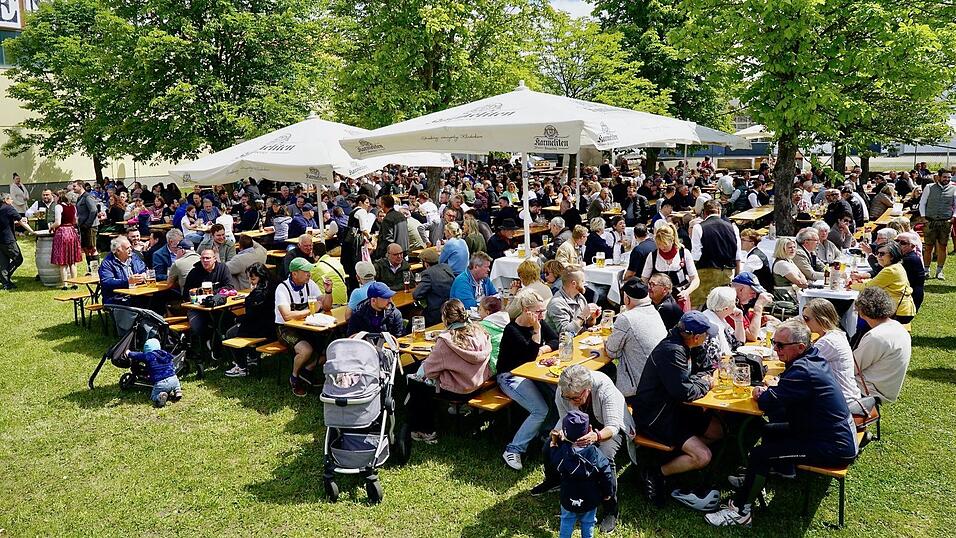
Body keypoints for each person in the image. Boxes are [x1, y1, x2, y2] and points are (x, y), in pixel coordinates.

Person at [705, 320, 858, 527]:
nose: (775, 349)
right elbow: (784, 396)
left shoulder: (802, 371)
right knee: (768, 430)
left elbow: (769, 402)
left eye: (780, 345)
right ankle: (757, 479)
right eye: (774, 343)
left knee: (760, 455)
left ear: (800, 347)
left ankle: (741, 512)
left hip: (833, 447)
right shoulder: (812, 359)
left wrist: (762, 392)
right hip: (831, 433)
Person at [531, 364, 634, 533]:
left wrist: (596, 437)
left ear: (587, 389)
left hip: (606, 429)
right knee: (548, 446)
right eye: (568, 398)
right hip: (578, 427)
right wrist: (562, 436)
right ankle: (553, 480)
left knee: (605, 457)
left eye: (576, 399)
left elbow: (613, 426)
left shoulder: (604, 388)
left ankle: (610, 508)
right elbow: (565, 418)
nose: (571, 402)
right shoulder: (563, 390)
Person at [634, 311, 721, 508]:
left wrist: (700, 380)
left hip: (679, 410)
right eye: (706, 335)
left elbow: (707, 369)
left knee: (718, 430)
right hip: (658, 418)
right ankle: (656, 473)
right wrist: (706, 384)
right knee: (703, 456)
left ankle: (677, 457)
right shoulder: (671, 351)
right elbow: (683, 392)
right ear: (696, 336)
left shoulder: (692, 344)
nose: (708, 338)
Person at [407, 299, 492, 443]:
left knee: (417, 384)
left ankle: (424, 430)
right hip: (478, 383)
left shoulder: (446, 341)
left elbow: (429, 371)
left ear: (444, 318)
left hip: (457, 389)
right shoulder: (480, 332)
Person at [497, 291, 559, 470]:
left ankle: (545, 436)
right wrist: (537, 332)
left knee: (557, 395)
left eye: (543, 311)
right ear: (525, 310)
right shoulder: (512, 330)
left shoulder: (538, 321)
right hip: (510, 376)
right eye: (539, 312)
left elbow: (556, 340)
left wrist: (543, 348)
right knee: (540, 410)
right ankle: (514, 449)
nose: (542, 315)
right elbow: (530, 355)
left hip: (531, 373)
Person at [549, 410, 616, 538]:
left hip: (568, 496)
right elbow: (607, 475)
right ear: (589, 430)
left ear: (564, 432)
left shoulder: (562, 453)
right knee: (588, 522)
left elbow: (555, 464)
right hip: (591, 497)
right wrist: (608, 493)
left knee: (567, 521)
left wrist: (553, 446)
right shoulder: (596, 455)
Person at [276, 257, 333, 396]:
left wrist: (328, 292)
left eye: (309, 271)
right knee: (306, 350)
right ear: (294, 274)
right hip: (285, 328)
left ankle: (307, 370)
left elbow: (326, 306)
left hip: (306, 326)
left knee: (330, 348)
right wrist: (310, 310)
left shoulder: (310, 284)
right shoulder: (282, 288)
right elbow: (287, 316)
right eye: (306, 271)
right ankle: (294, 377)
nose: (309, 274)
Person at [605, 279, 667, 405]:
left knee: (601, 376)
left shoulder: (626, 318)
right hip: (659, 381)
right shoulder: (654, 311)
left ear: (627, 299)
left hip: (636, 387)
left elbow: (612, 352)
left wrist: (605, 343)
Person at [853, 287, 912, 403]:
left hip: (869, 391)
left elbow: (851, 367)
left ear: (862, 312)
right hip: (887, 389)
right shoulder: (898, 328)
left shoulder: (876, 336)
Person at [801, 299, 861, 403]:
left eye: (806, 319)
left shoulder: (828, 342)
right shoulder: (836, 334)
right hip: (842, 395)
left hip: (842, 400)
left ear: (822, 320)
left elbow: (800, 365)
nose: (804, 323)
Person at [224, 263, 278, 377]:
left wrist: (250, 296)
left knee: (230, 333)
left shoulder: (259, 292)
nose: (250, 281)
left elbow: (251, 313)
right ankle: (252, 357)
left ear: (261, 277)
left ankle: (241, 366)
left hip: (262, 328)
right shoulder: (274, 285)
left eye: (252, 278)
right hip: (273, 326)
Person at [182, 248, 236, 358]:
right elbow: (186, 294)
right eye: (203, 258)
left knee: (229, 320)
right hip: (198, 309)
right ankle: (208, 344)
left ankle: (219, 346)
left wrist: (212, 294)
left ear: (214, 259)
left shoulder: (222, 268)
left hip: (218, 307)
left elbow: (230, 286)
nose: (205, 261)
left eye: (208, 258)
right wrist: (197, 295)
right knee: (198, 326)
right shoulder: (195, 272)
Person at [850, 240, 915, 324]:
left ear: (892, 256)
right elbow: (877, 282)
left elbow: (868, 287)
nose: (878, 256)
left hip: (899, 312)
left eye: (882, 254)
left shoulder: (890, 270)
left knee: (864, 318)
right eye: (877, 253)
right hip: (903, 309)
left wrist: (851, 285)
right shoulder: (896, 266)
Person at [690, 200, 740, 307]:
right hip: (727, 272)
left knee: (698, 304)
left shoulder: (698, 227)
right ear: (719, 211)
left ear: (704, 212)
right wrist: (737, 275)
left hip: (705, 272)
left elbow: (696, 255)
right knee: (723, 305)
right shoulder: (733, 227)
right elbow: (737, 255)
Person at [641, 224, 699, 311]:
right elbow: (644, 279)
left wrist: (687, 292)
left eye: (665, 244)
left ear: (672, 240)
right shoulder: (652, 256)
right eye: (659, 244)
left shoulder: (684, 253)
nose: (662, 247)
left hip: (680, 299)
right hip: (658, 301)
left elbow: (695, 279)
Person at [918, 169, 955, 279]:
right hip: (930, 220)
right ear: (939, 177)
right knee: (928, 247)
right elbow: (922, 202)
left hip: (945, 221)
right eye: (945, 177)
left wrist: (953, 217)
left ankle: (940, 270)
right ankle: (926, 270)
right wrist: (924, 217)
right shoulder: (929, 187)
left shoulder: (954, 189)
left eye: (949, 177)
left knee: (943, 247)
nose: (947, 179)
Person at [126, 338, 182, 408]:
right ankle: (177, 391)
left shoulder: (149, 356)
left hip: (161, 383)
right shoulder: (165, 353)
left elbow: (138, 355)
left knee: (153, 396)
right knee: (176, 383)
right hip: (173, 378)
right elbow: (173, 357)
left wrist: (129, 353)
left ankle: (160, 396)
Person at [546, 268, 600, 335]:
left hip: (580, 340)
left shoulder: (580, 297)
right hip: (562, 343)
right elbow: (566, 333)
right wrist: (582, 315)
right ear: (574, 283)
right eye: (583, 281)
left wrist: (592, 317)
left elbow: (586, 324)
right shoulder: (557, 304)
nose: (586, 284)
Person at [98, 236, 148, 305]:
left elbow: (143, 269)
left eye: (130, 247)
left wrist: (144, 275)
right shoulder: (107, 263)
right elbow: (107, 282)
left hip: (138, 294)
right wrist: (127, 282)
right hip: (117, 299)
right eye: (127, 248)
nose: (131, 250)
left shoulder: (134, 257)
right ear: (118, 251)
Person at [413, 247, 455, 326]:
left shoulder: (428, 273)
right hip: (450, 309)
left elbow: (416, 295)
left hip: (435, 314)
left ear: (426, 263)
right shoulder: (446, 267)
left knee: (412, 322)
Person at [49, 191, 83, 288]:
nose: (54, 199)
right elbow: (75, 220)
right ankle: (75, 283)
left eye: (54, 197)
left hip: (62, 233)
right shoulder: (73, 207)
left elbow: (58, 222)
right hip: (72, 232)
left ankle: (65, 284)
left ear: (59, 197)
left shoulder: (58, 207)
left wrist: (51, 227)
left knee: (63, 261)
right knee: (72, 261)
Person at [729, 272, 775, 342]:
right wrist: (758, 307)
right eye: (753, 293)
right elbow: (752, 336)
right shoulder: (729, 305)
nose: (754, 296)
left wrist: (762, 320)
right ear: (741, 290)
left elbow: (748, 324)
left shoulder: (739, 303)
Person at [702, 287, 746, 357]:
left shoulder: (721, 320)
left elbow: (739, 345)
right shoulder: (710, 324)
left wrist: (739, 321)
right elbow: (715, 358)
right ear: (726, 308)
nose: (736, 304)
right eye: (735, 301)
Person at [771, 237, 808, 306]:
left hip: (793, 294)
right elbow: (800, 283)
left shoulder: (789, 260)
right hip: (785, 298)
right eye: (790, 247)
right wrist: (803, 281)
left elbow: (802, 275)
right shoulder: (781, 264)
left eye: (794, 247)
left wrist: (802, 279)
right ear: (782, 249)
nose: (793, 249)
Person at [309, 241, 349, 306]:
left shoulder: (316, 268)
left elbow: (308, 283)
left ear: (314, 255)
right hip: (343, 298)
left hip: (330, 302)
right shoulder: (336, 261)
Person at [895, 232, 926, 311]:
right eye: (896, 241)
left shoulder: (909, 259)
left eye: (902, 243)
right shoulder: (903, 256)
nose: (898, 244)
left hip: (909, 299)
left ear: (912, 246)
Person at [372, 194, 409, 259]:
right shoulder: (401, 216)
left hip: (394, 253)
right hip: (404, 249)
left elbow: (388, 239)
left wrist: (380, 253)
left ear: (383, 204)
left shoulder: (388, 219)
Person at [74, 182, 99, 273]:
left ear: (80, 186)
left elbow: (93, 210)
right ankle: (90, 269)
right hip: (83, 226)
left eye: (74, 186)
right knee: (86, 249)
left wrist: (88, 223)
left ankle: (95, 270)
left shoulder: (87, 197)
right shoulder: (80, 198)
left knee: (92, 248)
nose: (73, 188)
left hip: (90, 226)